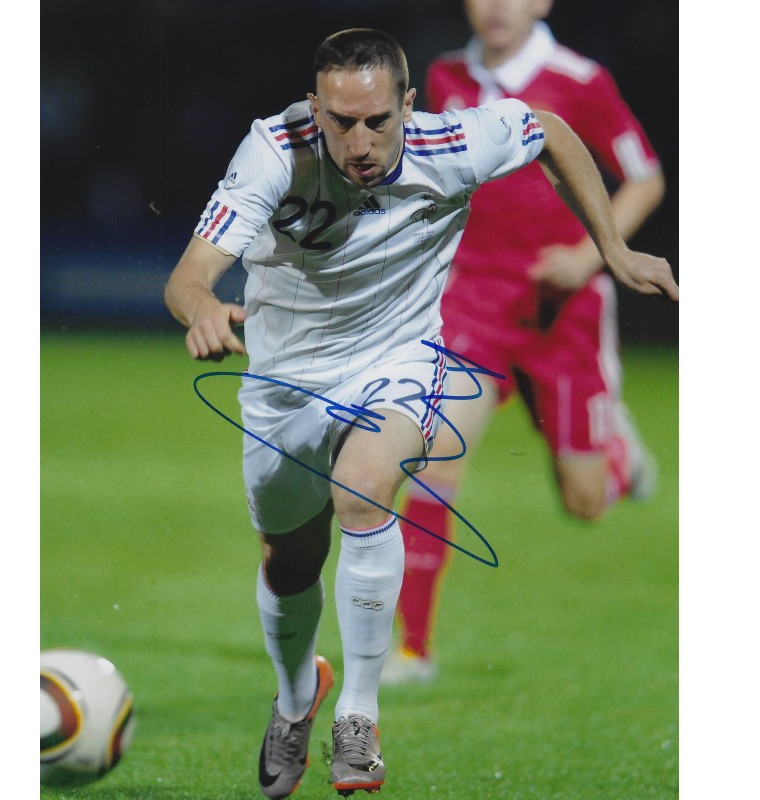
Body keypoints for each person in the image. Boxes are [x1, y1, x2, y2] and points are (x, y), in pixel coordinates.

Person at [163, 27, 677, 799]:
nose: (360, 142)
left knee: (366, 489)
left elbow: (550, 131)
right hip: (284, 382)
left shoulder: (453, 141)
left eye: (378, 121)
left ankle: (359, 717)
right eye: (342, 122)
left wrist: (611, 247)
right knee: (290, 561)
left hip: (398, 361)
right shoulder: (273, 152)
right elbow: (188, 276)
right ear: (315, 109)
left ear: (409, 105)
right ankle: (296, 699)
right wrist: (203, 307)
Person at [382, 0, 670, 687]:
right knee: (434, 459)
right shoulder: (445, 76)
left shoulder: (579, 80)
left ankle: (617, 454)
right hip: (475, 299)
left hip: (563, 310)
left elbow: (646, 177)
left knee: (584, 503)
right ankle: (412, 651)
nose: (497, 7)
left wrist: (589, 255)